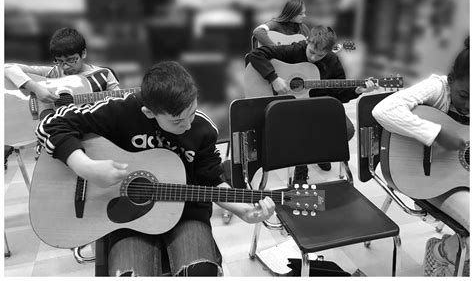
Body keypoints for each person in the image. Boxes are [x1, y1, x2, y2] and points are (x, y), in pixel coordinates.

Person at [35, 61, 276, 276]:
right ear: (149, 112)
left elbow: (211, 180)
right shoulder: (121, 111)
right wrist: (86, 167)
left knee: (201, 270)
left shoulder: (202, 129)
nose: (188, 124)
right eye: (178, 121)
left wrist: (244, 211)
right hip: (124, 216)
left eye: (191, 112)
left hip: (186, 214)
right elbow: (51, 124)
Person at [372, 36, 469, 277]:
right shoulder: (438, 88)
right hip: (430, 179)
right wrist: (435, 132)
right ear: (452, 80)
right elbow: (383, 110)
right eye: (464, 95)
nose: (469, 105)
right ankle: (443, 252)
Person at [246, 25, 377, 183]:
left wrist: (357, 90)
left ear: (328, 51)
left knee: (347, 130)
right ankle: (302, 167)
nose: (314, 57)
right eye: (312, 52)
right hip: (290, 107)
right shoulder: (294, 50)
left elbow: (338, 96)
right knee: (302, 129)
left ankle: (317, 151)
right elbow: (256, 55)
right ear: (308, 41)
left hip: (317, 106)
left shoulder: (333, 62)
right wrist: (273, 78)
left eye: (320, 55)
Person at [5, 27, 119, 104]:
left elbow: (121, 102)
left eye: (71, 60)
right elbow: (7, 68)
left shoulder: (104, 75)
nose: (65, 67)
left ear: (83, 53)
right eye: (59, 61)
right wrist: (36, 88)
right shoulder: (53, 72)